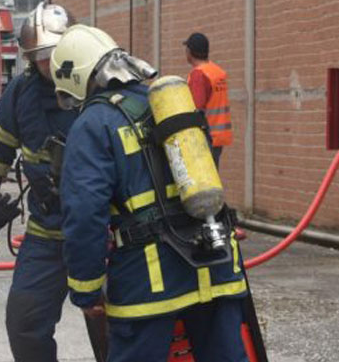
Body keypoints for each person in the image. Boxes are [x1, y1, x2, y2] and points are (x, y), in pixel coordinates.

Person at [51, 25, 249, 362]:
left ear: (75, 76)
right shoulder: (165, 102)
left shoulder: (93, 124)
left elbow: (85, 213)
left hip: (151, 279)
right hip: (215, 264)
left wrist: (86, 289)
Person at [0, 3, 76, 361]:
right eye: (40, 56)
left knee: (120, 325)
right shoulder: (21, 94)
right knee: (24, 323)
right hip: (47, 229)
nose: (49, 63)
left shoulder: (98, 88)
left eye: (54, 54)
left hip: (103, 229)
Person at [184, 32, 232, 166]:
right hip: (218, 135)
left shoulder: (199, 75)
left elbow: (196, 108)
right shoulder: (217, 72)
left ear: (190, 52)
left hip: (206, 137)